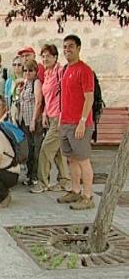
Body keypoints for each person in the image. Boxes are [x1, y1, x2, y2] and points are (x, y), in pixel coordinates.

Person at [57, 35, 95, 210]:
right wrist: (60, 119)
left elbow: (89, 98)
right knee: (71, 159)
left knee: (83, 160)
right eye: (65, 47)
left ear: (79, 48)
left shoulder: (85, 70)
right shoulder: (65, 70)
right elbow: (65, 98)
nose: (67, 50)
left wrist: (82, 121)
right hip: (65, 122)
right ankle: (75, 190)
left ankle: (87, 196)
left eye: (71, 46)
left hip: (79, 124)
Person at [30, 44, 71, 194]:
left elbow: (65, 96)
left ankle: (42, 182)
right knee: (59, 151)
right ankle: (65, 181)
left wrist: (61, 116)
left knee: (45, 150)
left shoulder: (60, 72)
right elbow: (49, 96)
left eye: (49, 55)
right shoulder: (47, 73)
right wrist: (45, 112)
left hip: (60, 118)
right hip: (52, 116)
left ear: (55, 57)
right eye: (43, 56)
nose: (45, 58)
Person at [17, 59, 43, 186]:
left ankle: (35, 176)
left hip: (33, 121)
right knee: (28, 150)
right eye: (25, 70)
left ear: (35, 71)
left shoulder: (36, 83)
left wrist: (33, 121)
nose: (27, 73)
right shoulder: (26, 83)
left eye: (30, 70)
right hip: (24, 120)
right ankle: (29, 175)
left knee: (35, 148)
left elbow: (38, 102)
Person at [5, 56, 25, 124]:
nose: (16, 67)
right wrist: (8, 111)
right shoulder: (9, 81)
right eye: (14, 65)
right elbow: (6, 97)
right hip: (13, 110)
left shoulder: (26, 79)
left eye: (19, 65)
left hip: (24, 110)